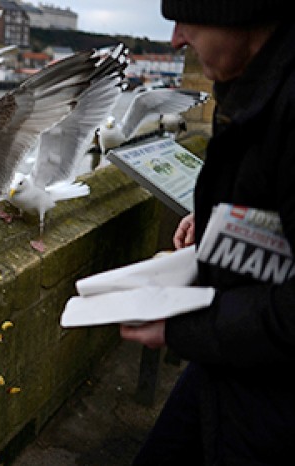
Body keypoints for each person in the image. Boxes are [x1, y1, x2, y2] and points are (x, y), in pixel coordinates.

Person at [119, 1, 295, 464]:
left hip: (274, 393)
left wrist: (182, 325)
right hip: (230, 362)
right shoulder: (255, 81)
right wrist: (222, 222)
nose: (176, 38)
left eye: (186, 18)